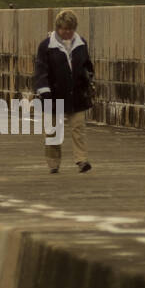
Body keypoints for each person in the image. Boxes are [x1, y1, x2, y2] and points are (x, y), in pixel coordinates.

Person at [34, 9, 95, 174]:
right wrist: (44, 90)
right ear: (57, 28)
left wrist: (88, 78)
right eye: (64, 29)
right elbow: (40, 71)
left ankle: (81, 160)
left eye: (70, 29)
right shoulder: (46, 46)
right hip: (53, 95)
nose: (67, 32)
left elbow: (87, 65)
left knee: (78, 128)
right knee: (53, 131)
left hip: (76, 95)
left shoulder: (81, 43)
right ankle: (53, 163)